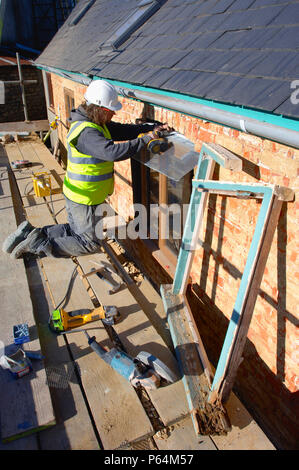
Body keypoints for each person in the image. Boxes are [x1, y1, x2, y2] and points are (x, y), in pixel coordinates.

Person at [2, 80, 170, 259]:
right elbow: (112, 152)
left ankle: (30, 233)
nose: (113, 113)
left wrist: (150, 128)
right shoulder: (87, 133)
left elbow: (122, 131)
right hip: (84, 197)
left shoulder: (92, 123)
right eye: (110, 110)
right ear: (99, 109)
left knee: (76, 232)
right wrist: (146, 140)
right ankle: (38, 244)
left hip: (79, 194)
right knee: (89, 243)